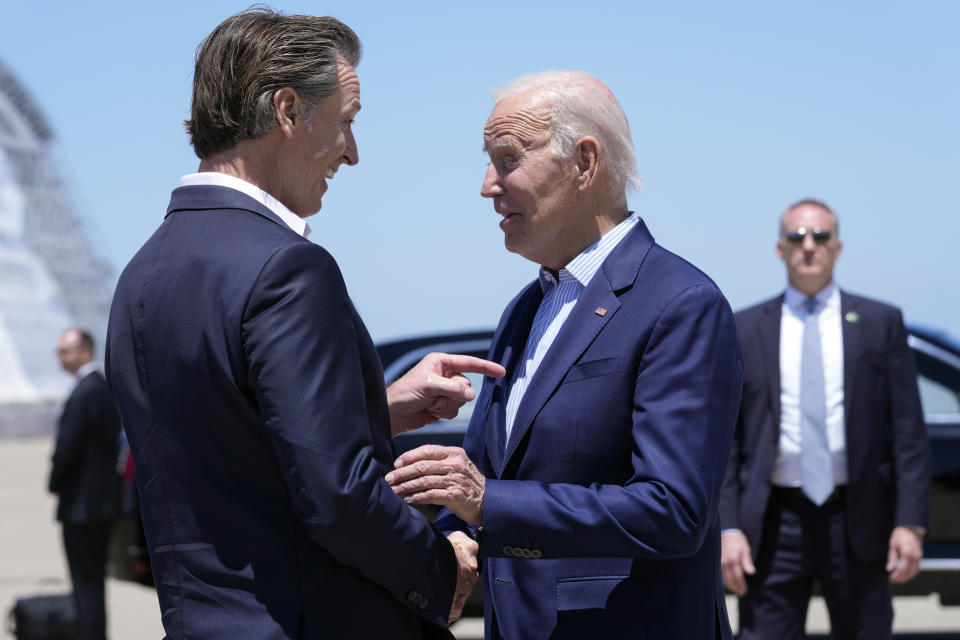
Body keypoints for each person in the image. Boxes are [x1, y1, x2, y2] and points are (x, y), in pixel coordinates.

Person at [105, 9, 503, 639]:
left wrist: (375, 406)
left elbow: (223, 435)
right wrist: (438, 567)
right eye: (346, 122)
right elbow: (337, 495)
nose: (352, 152)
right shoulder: (287, 267)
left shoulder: (143, 272)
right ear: (287, 110)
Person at [386, 70, 743, 639]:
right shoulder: (526, 308)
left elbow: (674, 513)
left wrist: (487, 504)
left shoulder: (681, 304)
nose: (487, 185)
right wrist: (459, 533)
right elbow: (486, 478)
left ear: (584, 162)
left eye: (507, 159)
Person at [718, 199, 931, 639]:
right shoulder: (744, 328)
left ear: (838, 247)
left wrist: (909, 524)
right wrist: (728, 528)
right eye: (797, 237)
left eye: (821, 236)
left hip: (858, 518)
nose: (809, 246)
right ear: (781, 249)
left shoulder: (879, 322)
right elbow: (726, 441)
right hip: (773, 524)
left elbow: (908, 433)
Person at [49, 328, 122, 640]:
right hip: (103, 502)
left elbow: (67, 447)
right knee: (93, 581)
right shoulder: (101, 388)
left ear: (86, 352)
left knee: (85, 583)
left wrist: (54, 481)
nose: (60, 358)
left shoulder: (85, 392)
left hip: (81, 504)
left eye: (66, 351)